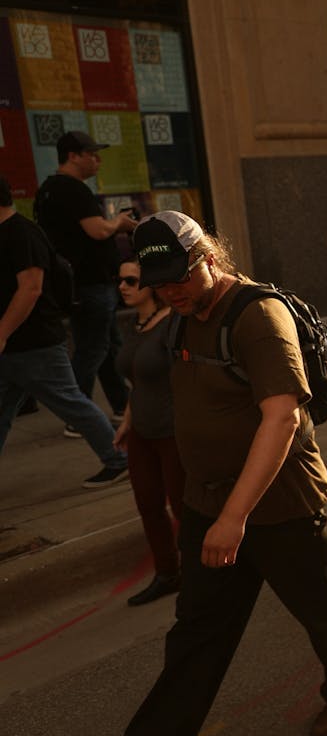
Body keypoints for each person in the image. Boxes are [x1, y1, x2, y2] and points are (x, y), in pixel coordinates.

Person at [54, 211, 327, 736]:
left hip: (276, 506)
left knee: (318, 604)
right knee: (198, 632)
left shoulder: (256, 316)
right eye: (160, 282)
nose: (170, 290)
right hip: (208, 502)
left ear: (211, 258)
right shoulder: (180, 318)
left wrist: (234, 518)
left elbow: (283, 417)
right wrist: (132, 424)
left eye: (180, 275)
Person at [0, 174, 129, 486]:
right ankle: (118, 457)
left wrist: (1, 332)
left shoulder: (21, 234)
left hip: (36, 343)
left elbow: (30, 289)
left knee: (73, 404)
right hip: (14, 346)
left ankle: (118, 458)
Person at [34, 131, 139, 430]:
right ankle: (78, 418)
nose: (98, 160)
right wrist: (119, 222)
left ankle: (121, 405)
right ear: (73, 156)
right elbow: (98, 231)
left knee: (107, 346)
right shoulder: (74, 190)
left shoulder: (48, 190)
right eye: (92, 154)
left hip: (79, 284)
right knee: (93, 349)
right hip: (90, 284)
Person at [114, 258, 184, 605]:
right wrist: (127, 420)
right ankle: (168, 573)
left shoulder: (173, 324)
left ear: (152, 285)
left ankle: (206, 573)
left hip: (172, 429)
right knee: (148, 504)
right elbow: (137, 382)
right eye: (121, 281)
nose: (123, 286)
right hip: (142, 430)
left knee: (184, 507)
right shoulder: (136, 325)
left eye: (131, 280)